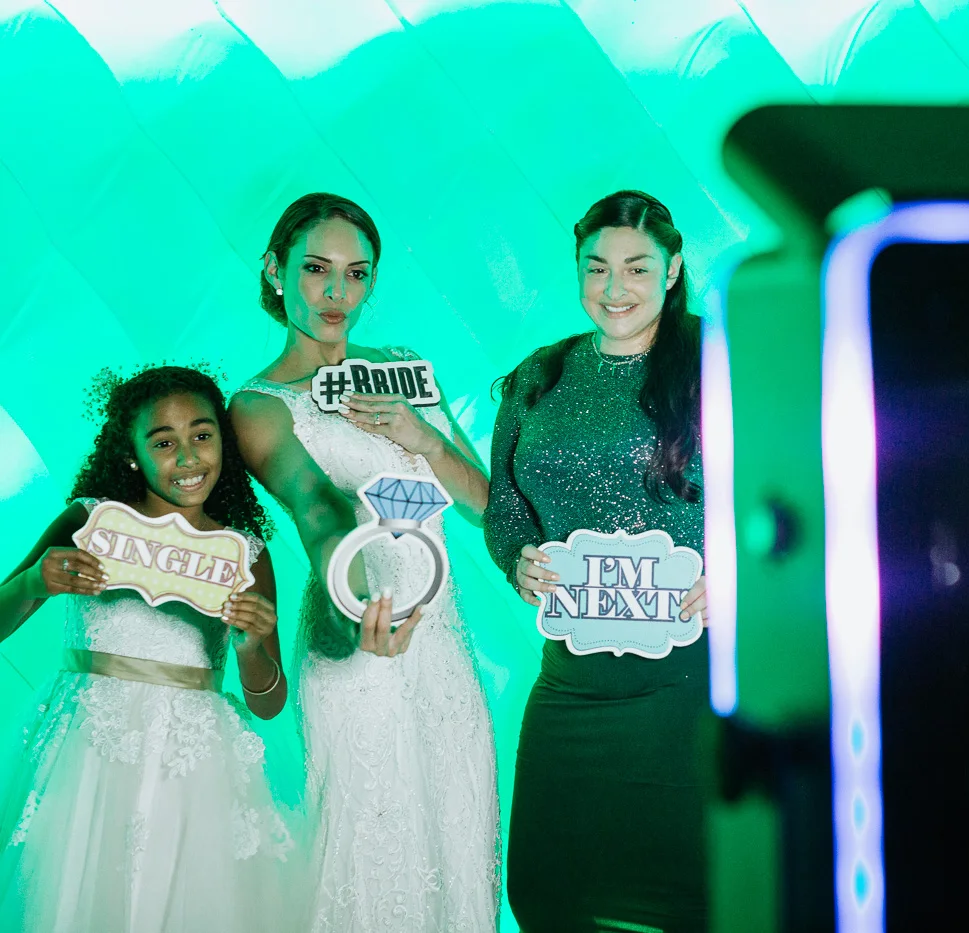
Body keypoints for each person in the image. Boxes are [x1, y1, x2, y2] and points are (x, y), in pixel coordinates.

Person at [229, 193, 498, 932]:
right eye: (316, 269)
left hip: (442, 649)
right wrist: (357, 615)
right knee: (375, 864)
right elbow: (320, 510)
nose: (336, 293)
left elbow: (483, 504)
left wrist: (424, 437)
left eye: (356, 274)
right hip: (355, 643)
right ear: (275, 270)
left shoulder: (403, 369)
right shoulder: (258, 405)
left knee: (458, 847)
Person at [0, 365, 294, 932]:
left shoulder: (245, 555)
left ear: (224, 443)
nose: (188, 457)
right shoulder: (88, 522)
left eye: (202, 435)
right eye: (163, 443)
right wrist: (34, 582)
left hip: (193, 764)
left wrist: (252, 648)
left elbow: (269, 703)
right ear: (131, 454)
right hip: (84, 748)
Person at [485, 190, 709, 932]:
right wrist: (516, 557)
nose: (615, 288)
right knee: (547, 893)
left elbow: (801, 485)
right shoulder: (540, 376)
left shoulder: (724, 364)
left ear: (672, 269)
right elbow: (506, 504)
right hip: (572, 688)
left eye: (637, 268)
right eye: (597, 267)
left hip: (688, 686)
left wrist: (737, 573)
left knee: (687, 898)